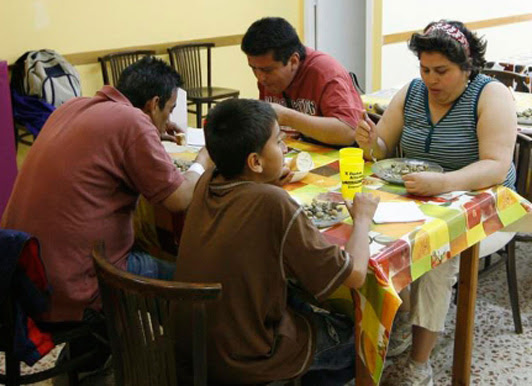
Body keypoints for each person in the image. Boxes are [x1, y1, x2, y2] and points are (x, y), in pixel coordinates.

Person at [173, 98, 379, 385]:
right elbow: (355, 275)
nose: (284, 149)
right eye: (279, 142)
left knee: (296, 301)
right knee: (358, 337)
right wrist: (363, 219)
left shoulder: (208, 178)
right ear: (255, 162)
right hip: (244, 360)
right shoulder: (273, 202)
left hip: (194, 347)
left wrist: (268, 183)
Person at [355, 20, 517, 385]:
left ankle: (419, 363)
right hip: (421, 200)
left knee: (436, 256)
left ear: (467, 66)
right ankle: (395, 318)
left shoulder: (490, 95)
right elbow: (381, 148)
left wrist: (444, 182)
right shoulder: (411, 92)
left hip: (487, 207)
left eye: (441, 71)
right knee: (370, 234)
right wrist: (368, 141)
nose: (431, 79)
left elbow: (496, 165)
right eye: (425, 69)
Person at [1, 56, 213, 322]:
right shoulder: (133, 122)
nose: (168, 119)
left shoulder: (74, 106)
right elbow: (179, 199)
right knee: (193, 281)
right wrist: (202, 161)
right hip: (75, 283)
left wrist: (151, 130)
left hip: (24, 273)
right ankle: (176, 358)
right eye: (168, 111)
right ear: (153, 104)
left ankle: (94, 352)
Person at [241, 16, 363, 146]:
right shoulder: (266, 75)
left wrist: (287, 117)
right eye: (253, 68)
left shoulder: (326, 73)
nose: (260, 78)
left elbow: (349, 132)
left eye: (268, 70)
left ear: (293, 61)